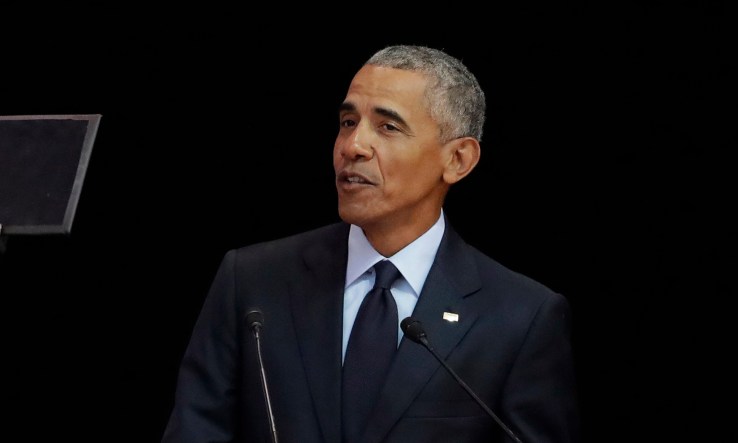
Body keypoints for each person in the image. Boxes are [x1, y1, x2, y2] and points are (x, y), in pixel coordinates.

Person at [161, 44, 580, 443]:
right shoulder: (252, 281)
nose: (353, 146)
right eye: (347, 122)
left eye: (388, 126)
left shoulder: (520, 317)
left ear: (458, 160)